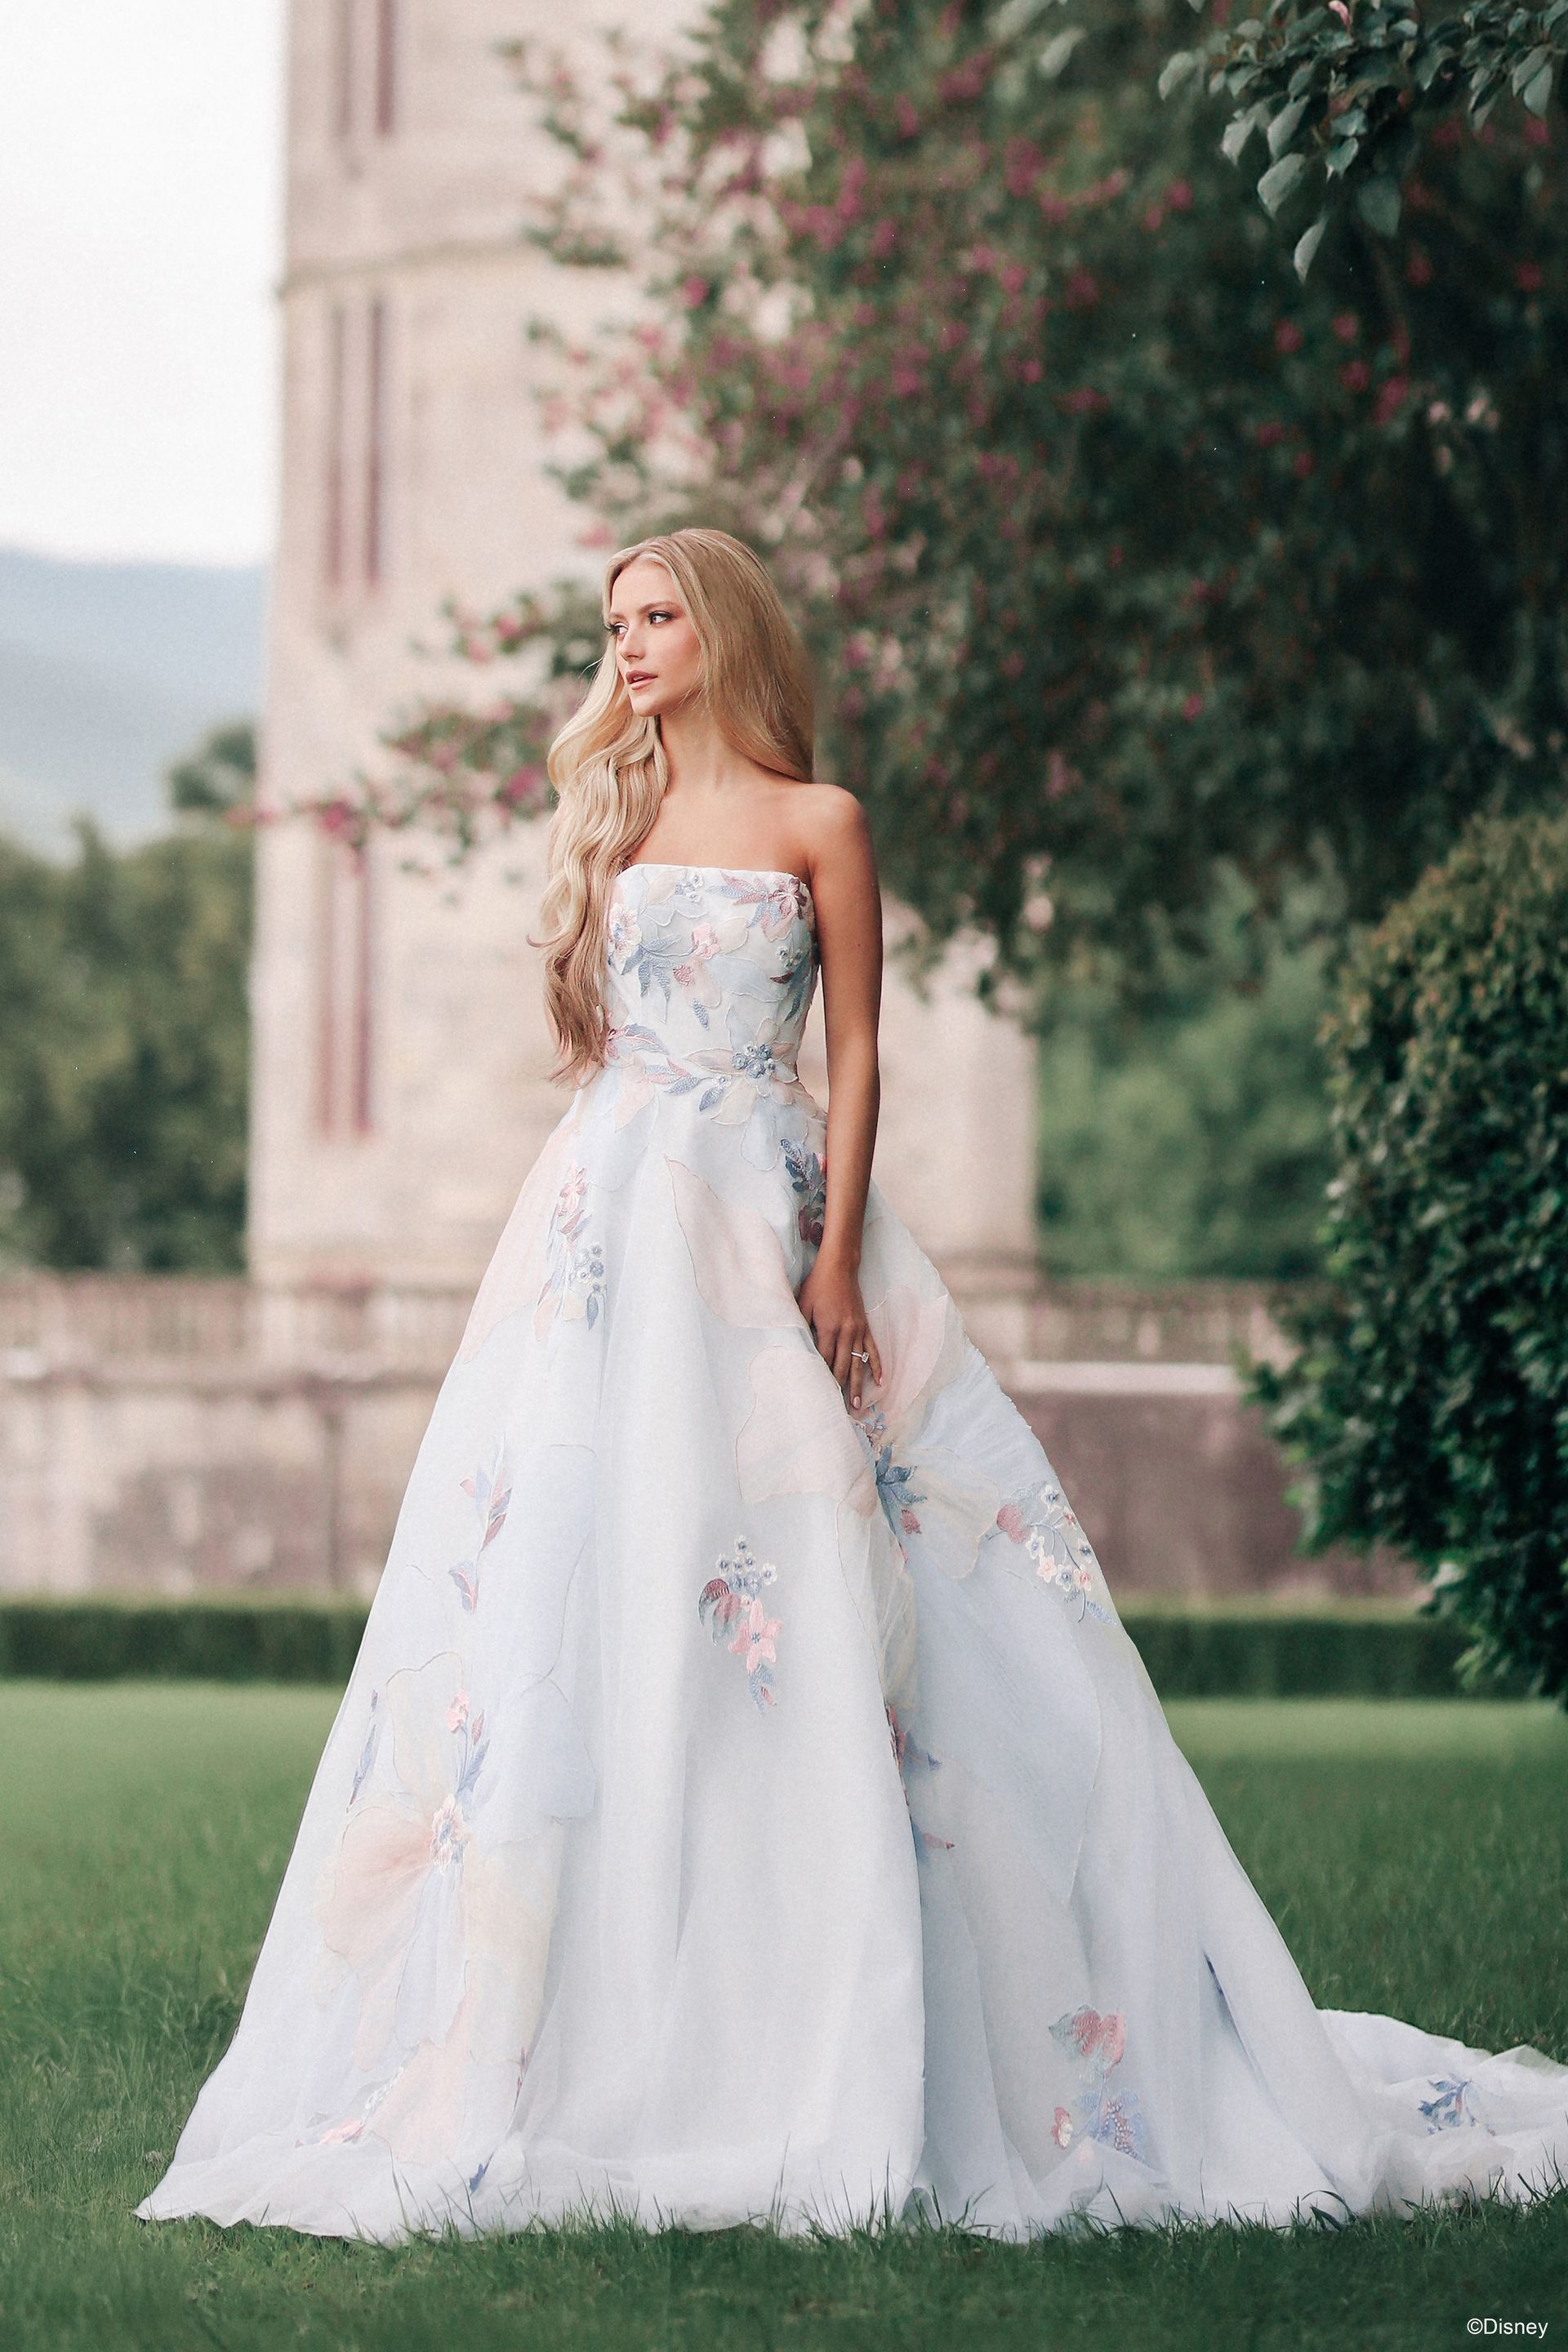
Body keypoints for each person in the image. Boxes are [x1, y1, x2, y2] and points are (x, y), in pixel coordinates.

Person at [140, 527, 1568, 2243]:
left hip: (771, 1206)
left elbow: (862, 1049)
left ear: (725, 628)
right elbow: (601, 1052)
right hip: (607, 1232)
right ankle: (587, 2004)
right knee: (582, 1570)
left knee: (853, 1567)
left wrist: (830, 1260)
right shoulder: (620, 818)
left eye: (659, 616)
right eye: (616, 625)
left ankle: (915, 1983)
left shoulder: (823, 826)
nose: (634, 646)